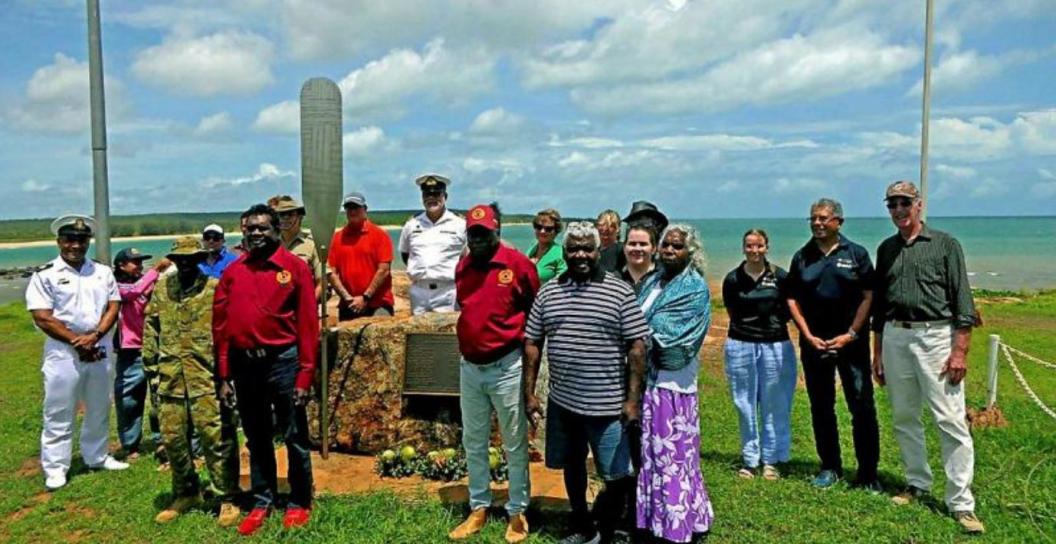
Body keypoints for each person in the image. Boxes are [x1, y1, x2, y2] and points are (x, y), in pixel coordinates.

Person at [523, 222, 649, 544]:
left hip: (607, 404)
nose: (580, 254)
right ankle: (582, 524)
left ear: (598, 251)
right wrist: (530, 393)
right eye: (573, 248)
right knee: (572, 465)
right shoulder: (549, 291)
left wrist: (632, 401)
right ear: (564, 252)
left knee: (616, 473)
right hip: (563, 402)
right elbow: (533, 342)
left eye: (587, 248)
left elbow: (637, 347)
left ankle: (612, 526)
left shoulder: (619, 290)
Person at [871, 181, 985, 534]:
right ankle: (917, 482)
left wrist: (960, 351)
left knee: (949, 419)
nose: (899, 210)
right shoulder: (886, 249)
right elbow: (879, 305)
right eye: (892, 204)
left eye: (905, 203)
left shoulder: (945, 245)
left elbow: (962, 301)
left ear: (918, 205)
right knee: (905, 416)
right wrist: (877, 352)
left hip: (936, 336)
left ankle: (961, 503)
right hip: (895, 335)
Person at [213, 204, 319, 535]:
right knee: (257, 437)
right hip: (246, 366)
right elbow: (222, 326)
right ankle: (262, 500)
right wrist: (224, 374)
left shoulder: (295, 268)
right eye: (250, 228)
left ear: (276, 230)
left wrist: (304, 375)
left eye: (263, 228)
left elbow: (307, 326)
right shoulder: (233, 272)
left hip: (284, 362)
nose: (256, 233)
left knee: (294, 435)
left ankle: (300, 500)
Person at [448, 204, 539, 544]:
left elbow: (535, 310)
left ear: (497, 231)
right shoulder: (464, 266)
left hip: (507, 367)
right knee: (473, 441)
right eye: (473, 233)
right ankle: (479, 506)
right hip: (470, 368)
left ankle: (517, 511)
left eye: (484, 233)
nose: (479, 239)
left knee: (514, 443)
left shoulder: (518, 265)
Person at [25, 214, 127, 491]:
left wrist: (94, 337)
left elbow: (113, 307)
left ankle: (97, 455)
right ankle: (56, 467)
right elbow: (42, 317)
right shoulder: (45, 274)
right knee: (59, 410)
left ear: (88, 242)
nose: (75, 245)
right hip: (63, 352)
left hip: (100, 346)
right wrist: (77, 341)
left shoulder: (102, 272)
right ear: (59, 241)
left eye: (81, 240)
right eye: (70, 239)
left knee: (100, 405)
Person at [143, 237, 240, 527]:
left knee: (216, 437)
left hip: (205, 376)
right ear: (173, 260)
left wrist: (227, 375)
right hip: (170, 376)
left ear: (199, 259)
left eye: (190, 260)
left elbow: (226, 331)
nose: (184, 265)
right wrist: (151, 366)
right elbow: (151, 326)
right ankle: (186, 491)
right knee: (173, 438)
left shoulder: (213, 289)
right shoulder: (162, 288)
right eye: (179, 260)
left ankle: (227, 496)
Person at [786, 198, 880, 491]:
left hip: (851, 344)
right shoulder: (803, 256)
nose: (817, 223)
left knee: (861, 406)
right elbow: (791, 298)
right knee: (821, 406)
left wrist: (851, 333)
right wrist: (807, 334)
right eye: (813, 218)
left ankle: (867, 474)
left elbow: (869, 296)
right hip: (815, 345)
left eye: (824, 218)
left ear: (839, 221)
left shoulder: (857, 254)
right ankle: (830, 467)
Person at [636, 224, 715, 542]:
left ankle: (678, 525)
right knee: (652, 456)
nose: (669, 250)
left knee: (675, 457)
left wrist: (636, 338)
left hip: (672, 386)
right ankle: (656, 520)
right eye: (665, 245)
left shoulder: (694, 288)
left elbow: (676, 340)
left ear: (690, 252)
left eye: (677, 246)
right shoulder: (653, 280)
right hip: (647, 383)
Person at [722, 229, 797, 480]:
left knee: (775, 403)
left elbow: (789, 309)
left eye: (759, 246)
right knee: (744, 403)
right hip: (740, 344)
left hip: (776, 345)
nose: (754, 251)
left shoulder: (779, 276)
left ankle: (772, 459)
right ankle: (750, 458)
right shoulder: (733, 279)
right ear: (743, 248)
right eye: (750, 246)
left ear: (767, 247)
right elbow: (732, 311)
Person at [113, 247, 172, 459]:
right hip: (130, 349)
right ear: (121, 265)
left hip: (155, 344)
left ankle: (161, 440)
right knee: (129, 398)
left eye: (141, 262)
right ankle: (130, 444)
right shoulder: (115, 285)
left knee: (159, 397)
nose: (139, 266)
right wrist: (156, 269)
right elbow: (133, 292)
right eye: (134, 262)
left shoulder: (145, 281)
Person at [399, 174, 466, 315]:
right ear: (422, 197)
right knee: (417, 335)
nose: (431, 198)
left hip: (448, 291)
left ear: (445, 196)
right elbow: (406, 254)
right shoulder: (411, 224)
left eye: (436, 194)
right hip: (419, 292)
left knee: (445, 335)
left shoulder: (459, 224)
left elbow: (466, 257)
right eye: (427, 194)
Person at [328, 191, 395, 320]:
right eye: (349, 208)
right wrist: (347, 298)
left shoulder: (380, 235)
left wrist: (365, 297)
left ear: (365, 209)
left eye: (356, 207)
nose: (352, 211)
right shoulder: (337, 239)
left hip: (378, 303)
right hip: (348, 303)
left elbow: (384, 270)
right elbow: (332, 273)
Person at [268, 195, 324, 300]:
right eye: (281, 214)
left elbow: (321, 282)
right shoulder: (271, 245)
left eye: (290, 214)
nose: (285, 218)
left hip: (304, 304)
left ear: (299, 217)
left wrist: (308, 306)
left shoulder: (313, 244)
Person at [526, 208, 566, 283]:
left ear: (556, 231)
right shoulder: (532, 248)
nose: (542, 231)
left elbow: (562, 283)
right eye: (539, 227)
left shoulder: (561, 253)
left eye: (548, 229)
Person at [621, 223, 658, 294]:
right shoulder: (614, 279)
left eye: (643, 244)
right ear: (624, 248)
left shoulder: (662, 279)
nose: (637, 248)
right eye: (632, 244)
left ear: (653, 249)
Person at [596, 209, 625, 273]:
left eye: (611, 226)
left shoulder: (622, 250)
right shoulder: (594, 252)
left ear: (618, 229)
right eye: (601, 226)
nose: (605, 229)